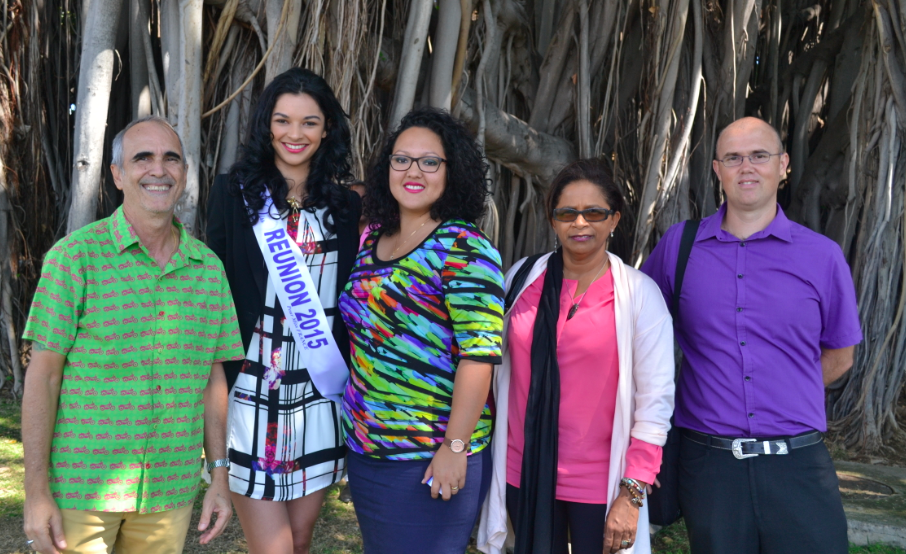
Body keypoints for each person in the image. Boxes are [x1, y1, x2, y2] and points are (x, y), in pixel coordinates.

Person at [21, 115, 244, 554]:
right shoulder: (74, 259)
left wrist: (219, 474)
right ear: (118, 175)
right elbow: (43, 376)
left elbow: (212, 379)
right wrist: (35, 490)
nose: (158, 170)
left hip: (169, 489)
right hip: (80, 487)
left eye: (171, 159)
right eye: (143, 158)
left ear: (184, 174)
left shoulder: (208, 269)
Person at [641, 116, 862, 554]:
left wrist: (784, 392)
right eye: (733, 157)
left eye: (759, 155)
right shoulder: (678, 248)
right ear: (717, 170)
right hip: (710, 466)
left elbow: (840, 355)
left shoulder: (822, 256)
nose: (747, 167)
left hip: (797, 462)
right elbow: (638, 332)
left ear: (783, 166)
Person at [477, 159, 675, 554]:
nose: (580, 223)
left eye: (594, 213)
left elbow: (654, 404)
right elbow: (488, 368)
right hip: (524, 471)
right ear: (553, 220)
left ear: (614, 219)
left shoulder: (639, 295)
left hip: (598, 483)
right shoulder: (521, 278)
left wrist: (632, 493)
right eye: (567, 213)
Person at [205, 68, 361, 554]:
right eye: (283, 121)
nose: (295, 135)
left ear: (327, 128)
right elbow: (217, 290)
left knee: (300, 540)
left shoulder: (347, 206)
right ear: (266, 124)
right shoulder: (234, 194)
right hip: (252, 388)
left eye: (309, 123)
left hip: (318, 387)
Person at [339, 106, 505, 554]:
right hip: (368, 450)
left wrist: (455, 446)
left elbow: (480, 355)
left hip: (429, 455)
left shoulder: (464, 247)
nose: (414, 171)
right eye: (402, 159)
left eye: (430, 161)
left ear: (452, 172)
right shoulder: (372, 239)